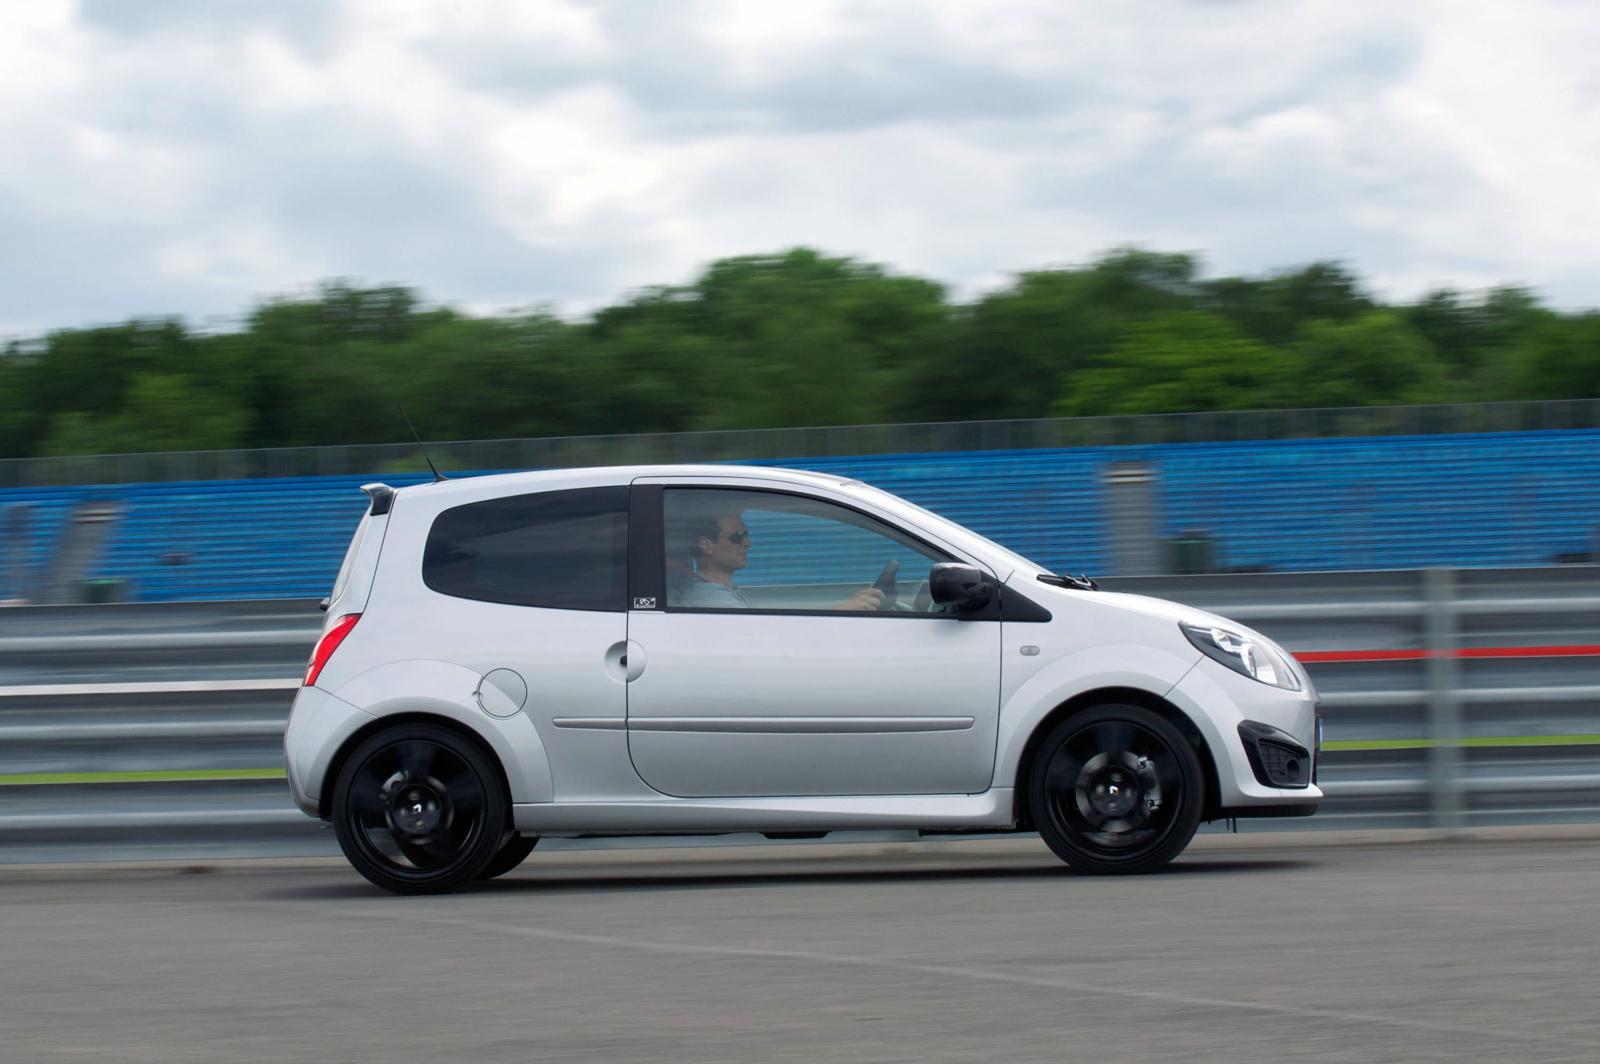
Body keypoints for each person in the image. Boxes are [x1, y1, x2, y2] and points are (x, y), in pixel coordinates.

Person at [675, 506, 884, 611]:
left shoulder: (722, 592)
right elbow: (768, 642)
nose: (748, 543)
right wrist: (843, 611)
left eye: (746, 535)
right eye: (737, 537)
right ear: (706, 545)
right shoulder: (712, 600)